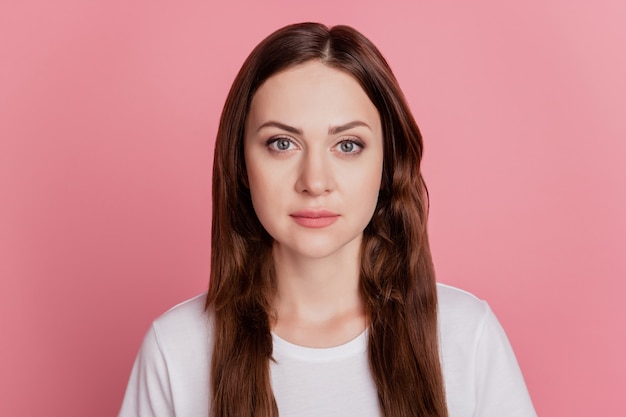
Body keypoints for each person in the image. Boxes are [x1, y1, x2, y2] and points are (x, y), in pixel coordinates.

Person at [118, 22, 537, 417]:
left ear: (387, 162)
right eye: (282, 143)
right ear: (241, 164)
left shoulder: (468, 337)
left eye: (348, 145)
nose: (314, 182)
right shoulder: (176, 350)